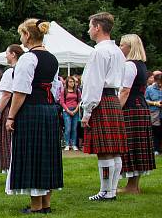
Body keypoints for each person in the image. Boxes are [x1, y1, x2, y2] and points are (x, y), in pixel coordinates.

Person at [4, 19, 63, 214]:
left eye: (21, 34)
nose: (21, 38)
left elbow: (20, 91)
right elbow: (55, 88)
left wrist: (11, 116)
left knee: (34, 154)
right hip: (49, 109)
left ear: (27, 35)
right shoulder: (53, 58)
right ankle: (46, 203)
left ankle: (36, 205)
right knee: (47, 154)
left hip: (32, 109)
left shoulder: (28, 59)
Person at [81, 12, 127, 201]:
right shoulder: (117, 51)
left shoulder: (99, 51)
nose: (89, 30)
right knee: (114, 149)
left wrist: (87, 111)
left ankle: (105, 191)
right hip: (112, 100)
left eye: (90, 26)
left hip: (101, 100)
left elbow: (94, 83)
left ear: (98, 27)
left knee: (105, 150)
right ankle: (112, 191)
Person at [117, 34, 156, 193]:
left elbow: (125, 91)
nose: (120, 48)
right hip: (141, 107)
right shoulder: (141, 65)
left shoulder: (130, 65)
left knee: (132, 145)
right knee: (138, 145)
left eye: (122, 45)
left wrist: (116, 110)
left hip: (131, 108)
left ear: (130, 47)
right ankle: (133, 185)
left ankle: (132, 187)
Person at [0, 45, 23, 174]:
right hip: (21, 107)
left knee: (8, 140)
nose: (5, 56)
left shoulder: (9, 72)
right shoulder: (23, 69)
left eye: (7, 53)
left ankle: (9, 167)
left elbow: (6, 95)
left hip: (10, 108)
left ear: (13, 54)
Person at [60, 75, 81, 151]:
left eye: (73, 82)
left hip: (75, 110)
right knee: (68, 128)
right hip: (66, 111)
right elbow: (62, 102)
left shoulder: (77, 91)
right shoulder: (64, 91)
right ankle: (67, 144)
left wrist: (76, 110)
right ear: (67, 82)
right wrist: (68, 111)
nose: (72, 83)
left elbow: (79, 101)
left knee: (74, 128)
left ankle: (74, 144)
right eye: (70, 81)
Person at [146, 73, 162, 155]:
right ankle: (155, 149)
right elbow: (145, 100)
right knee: (156, 131)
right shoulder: (149, 89)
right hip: (155, 113)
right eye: (159, 83)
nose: (160, 85)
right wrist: (155, 103)